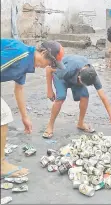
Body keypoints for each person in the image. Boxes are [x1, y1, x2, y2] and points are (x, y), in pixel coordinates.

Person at [1, 39, 65, 178]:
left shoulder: (26, 64)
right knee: (4, 114)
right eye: (51, 62)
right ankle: (1, 166)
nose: (49, 66)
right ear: (43, 53)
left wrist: (25, 117)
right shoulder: (21, 53)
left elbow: (18, 90)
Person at [43, 54, 111, 138]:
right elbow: (49, 69)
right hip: (62, 77)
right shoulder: (67, 69)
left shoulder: (92, 75)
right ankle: (50, 126)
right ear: (79, 75)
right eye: (81, 82)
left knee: (85, 96)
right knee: (61, 97)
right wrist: (49, 90)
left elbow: (103, 97)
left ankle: (80, 123)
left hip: (75, 78)